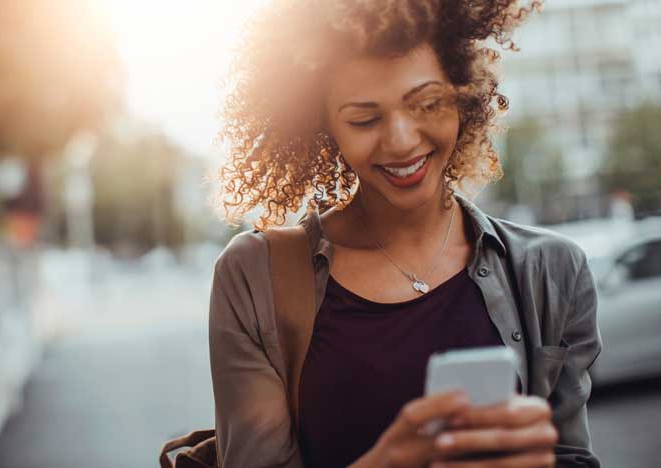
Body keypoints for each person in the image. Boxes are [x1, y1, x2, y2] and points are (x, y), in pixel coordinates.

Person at [209, 1, 602, 467]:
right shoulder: (254, 278)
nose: (400, 139)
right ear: (323, 124)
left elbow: (573, 455)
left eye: (427, 103)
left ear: (463, 95)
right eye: (364, 119)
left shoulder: (553, 272)